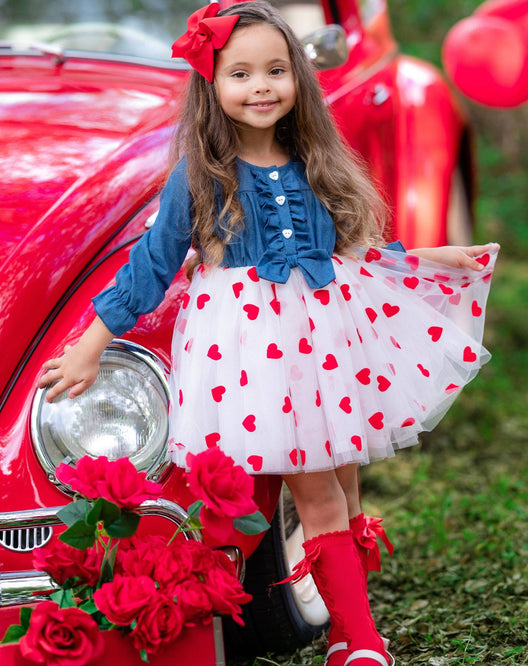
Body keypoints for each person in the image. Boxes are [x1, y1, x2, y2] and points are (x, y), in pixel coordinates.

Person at [38, 3, 499, 665]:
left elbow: (348, 255)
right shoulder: (199, 177)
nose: (261, 86)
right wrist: (90, 343)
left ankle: (339, 635)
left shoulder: (316, 164)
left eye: (276, 71)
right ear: (212, 86)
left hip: (319, 350)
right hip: (246, 354)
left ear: (298, 81)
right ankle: (274, 630)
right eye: (241, 73)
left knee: (280, 492)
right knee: (271, 493)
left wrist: (426, 260)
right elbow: (150, 267)